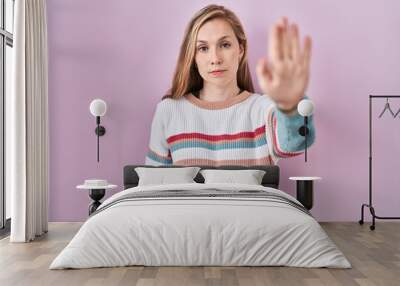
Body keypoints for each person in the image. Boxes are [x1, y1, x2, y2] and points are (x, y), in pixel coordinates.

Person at [145, 4, 315, 166]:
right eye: (203, 48)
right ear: (193, 56)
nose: (215, 59)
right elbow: (153, 187)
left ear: (240, 49)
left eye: (225, 45)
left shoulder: (263, 109)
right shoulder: (168, 111)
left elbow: (295, 143)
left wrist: (289, 106)